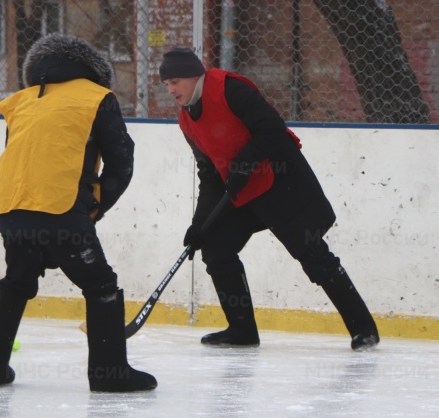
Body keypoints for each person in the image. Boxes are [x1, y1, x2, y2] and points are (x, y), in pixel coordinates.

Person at [159, 46, 379, 351]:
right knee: (216, 247)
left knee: (312, 253)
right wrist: (200, 225)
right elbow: (209, 176)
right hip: (244, 191)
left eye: (175, 82)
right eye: (166, 84)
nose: (170, 90)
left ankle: (363, 328)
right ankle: (241, 330)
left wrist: (244, 163)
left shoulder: (229, 89)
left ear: (194, 75)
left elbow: (272, 129)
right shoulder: (187, 122)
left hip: (280, 183)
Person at [0, 34, 156, 392]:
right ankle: (109, 374)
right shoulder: (97, 97)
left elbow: (25, 159)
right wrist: (94, 210)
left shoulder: (21, 102)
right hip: (61, 211)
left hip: (11, 210)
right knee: (99, 283)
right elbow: (121, 162)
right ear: (93, 71)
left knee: (17, 281)